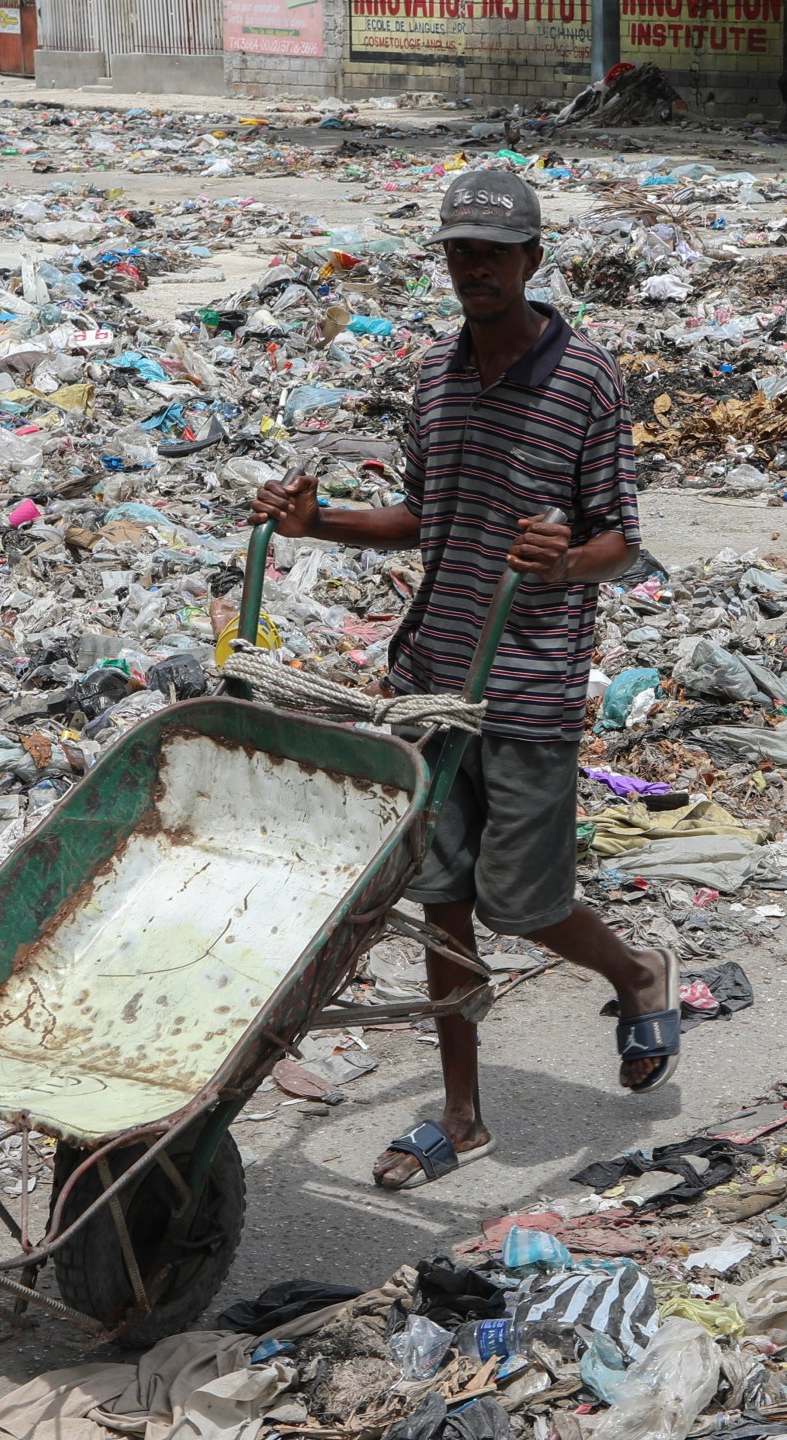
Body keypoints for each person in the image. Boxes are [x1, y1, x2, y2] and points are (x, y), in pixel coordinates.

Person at [247, 170, 676, 1191]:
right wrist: (320, 525)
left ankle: (634, 972)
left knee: (520, 905)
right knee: (438, 901)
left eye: (492, 251)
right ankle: (460, 1114)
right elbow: (422, 518)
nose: (473, 268)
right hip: (430, 676)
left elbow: (624, 539)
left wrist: (567, 561)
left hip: (528, 680)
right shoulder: (435, 382)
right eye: (458, 252)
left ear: (532, 260)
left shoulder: (588, 381)